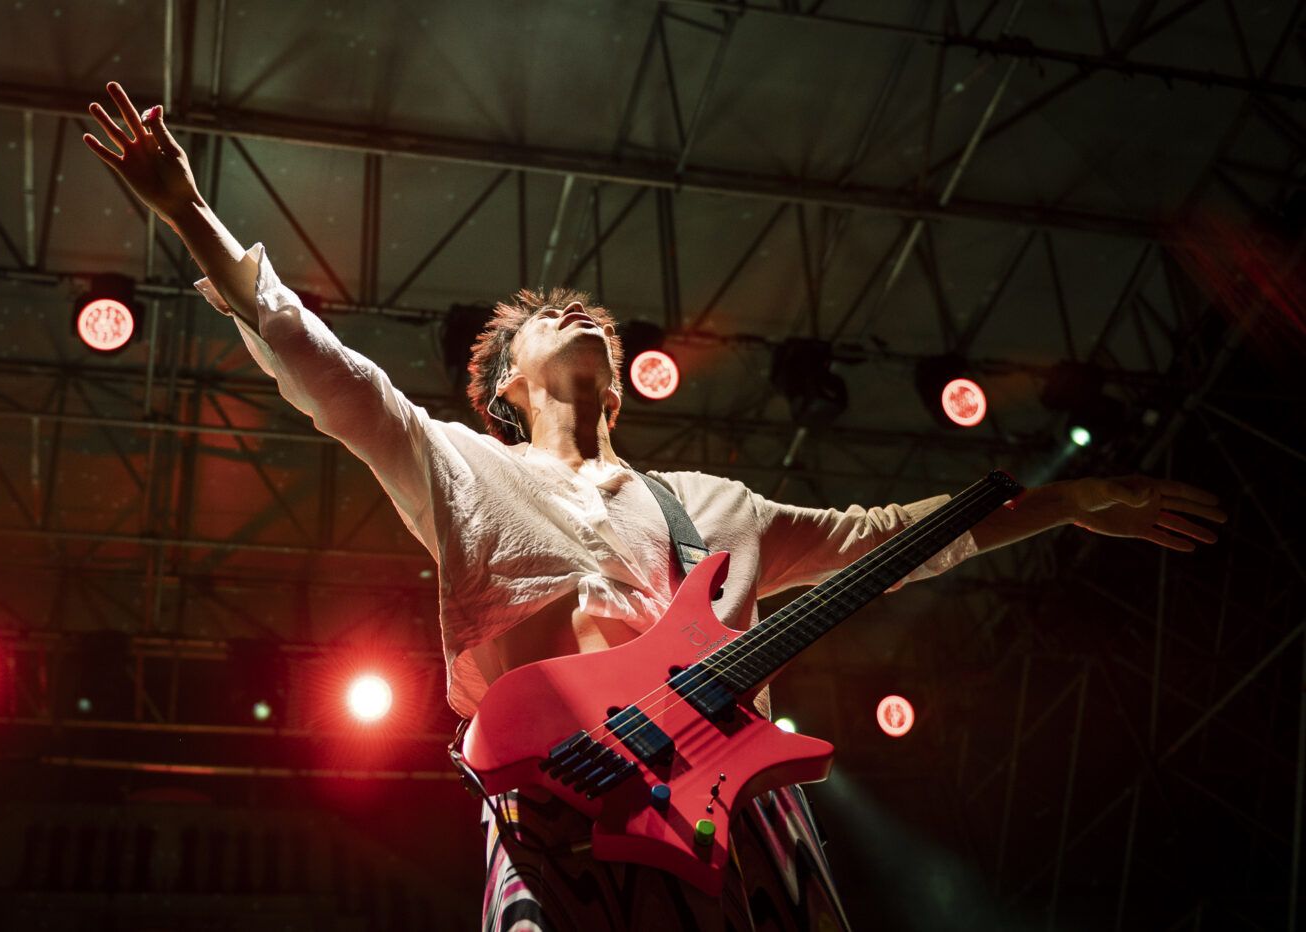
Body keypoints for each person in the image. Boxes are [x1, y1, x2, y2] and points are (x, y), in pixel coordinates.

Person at [83, 81, 1225, 931]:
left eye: (594, 318)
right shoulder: (462, 467)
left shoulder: (715, 507)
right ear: (503, 388)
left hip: (730, 814)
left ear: (622, 382)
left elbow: (890, 540)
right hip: (561, 812)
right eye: (546, 317)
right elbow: (318, 365)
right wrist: (191, 213)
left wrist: (1066, 501)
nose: (580, 314)